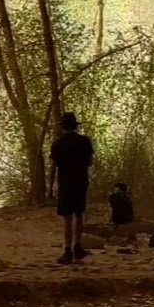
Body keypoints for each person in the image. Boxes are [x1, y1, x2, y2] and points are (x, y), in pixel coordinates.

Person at [49, 112, 95, 261]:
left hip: (65, 183)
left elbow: (53, 167)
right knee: (79, 215)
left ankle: (67, 250)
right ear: (75, 126)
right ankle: (78, 246)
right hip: (81, 181)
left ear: (62, 127)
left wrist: (50, 187)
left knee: (67, 218)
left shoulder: (58, 143)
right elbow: (90, 163)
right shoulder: (84, 141)